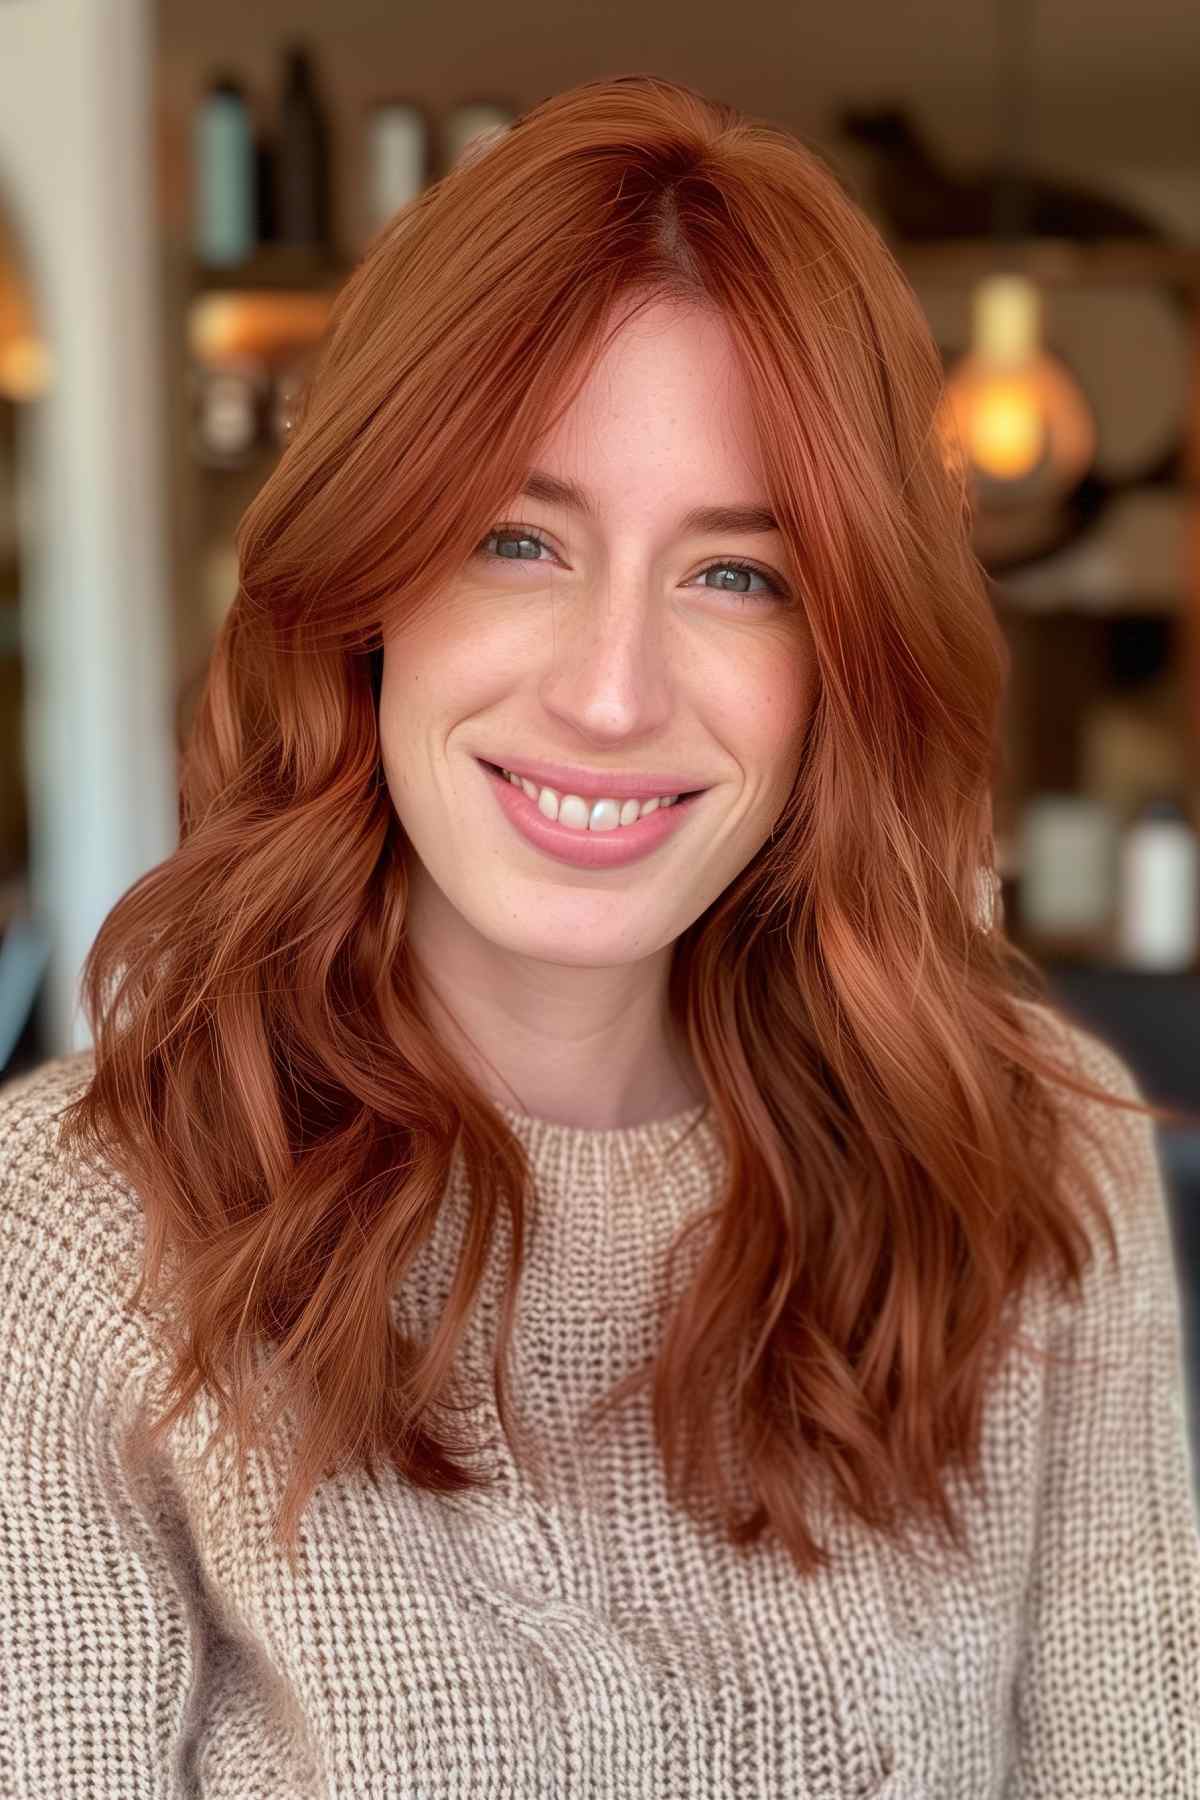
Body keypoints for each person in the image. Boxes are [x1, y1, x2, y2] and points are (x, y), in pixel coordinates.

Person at [2, 71, 1197, 1798]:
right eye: (515, 538)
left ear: (841, 661)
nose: (613, 692)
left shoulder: (1029, 1173)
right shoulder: (67, 1243)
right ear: (363, 592)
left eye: (737, 574)